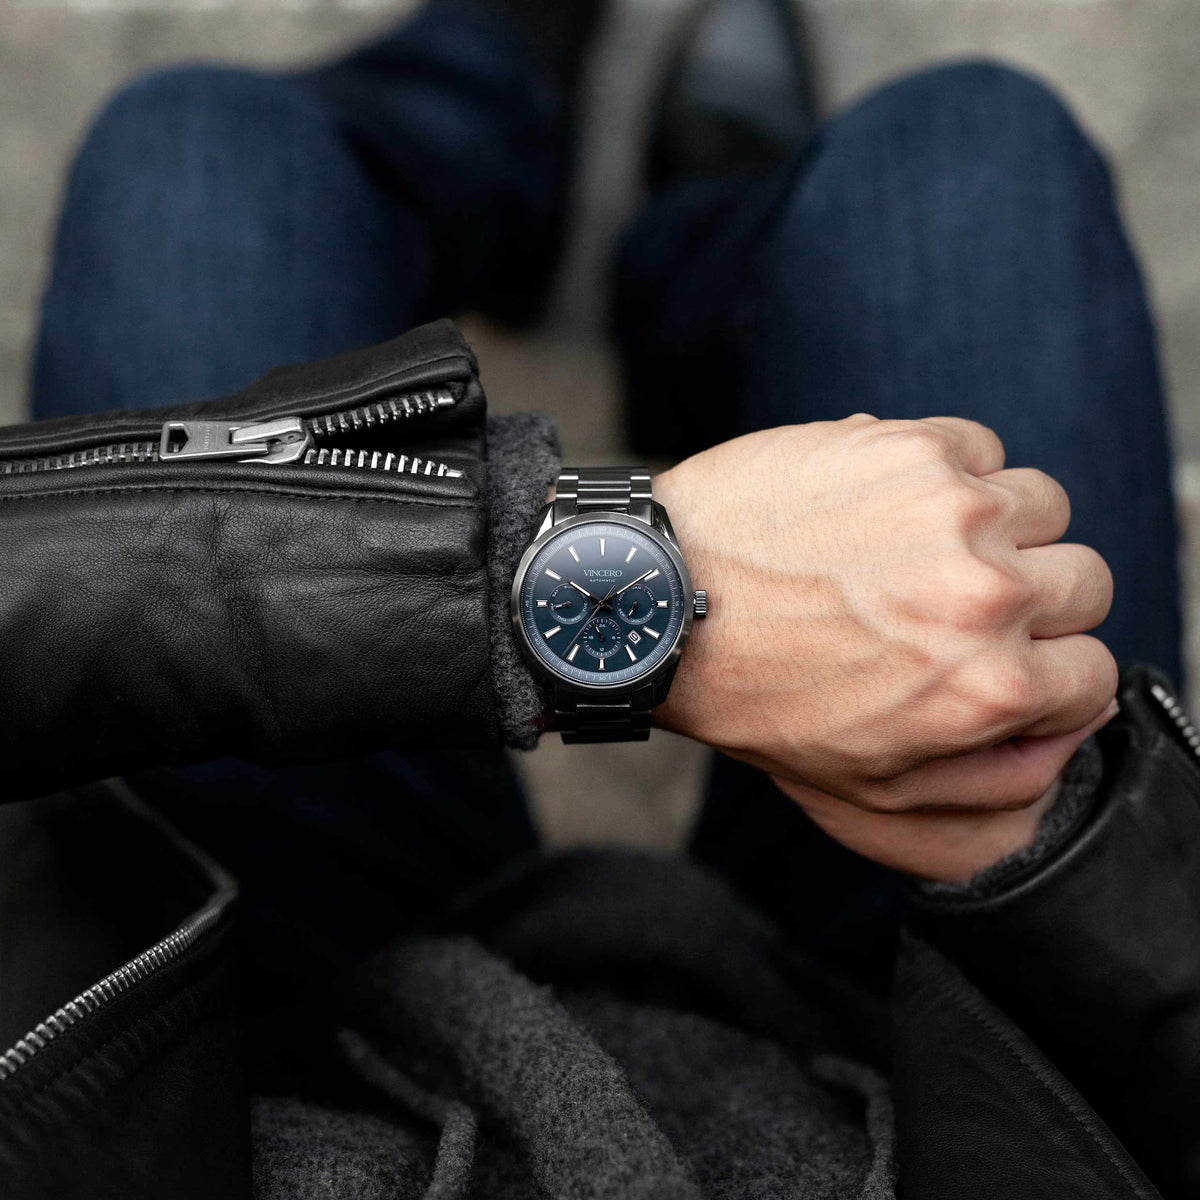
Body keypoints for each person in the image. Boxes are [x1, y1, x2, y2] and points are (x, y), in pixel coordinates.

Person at [0, 0, 1193, 1196]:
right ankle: (703, 258)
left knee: (197, 151)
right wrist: (1075, 884)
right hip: (959, 1071)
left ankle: (492, 103)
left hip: (243, 1023)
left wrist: (533, 589)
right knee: (969, 156)